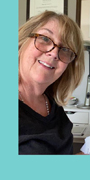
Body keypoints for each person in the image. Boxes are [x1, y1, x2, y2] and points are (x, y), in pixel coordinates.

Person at [18, 11, 85, 155]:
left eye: (65, 49)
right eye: (45, 38)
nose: (54, 53)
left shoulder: (53, 106)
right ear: (22, 41)